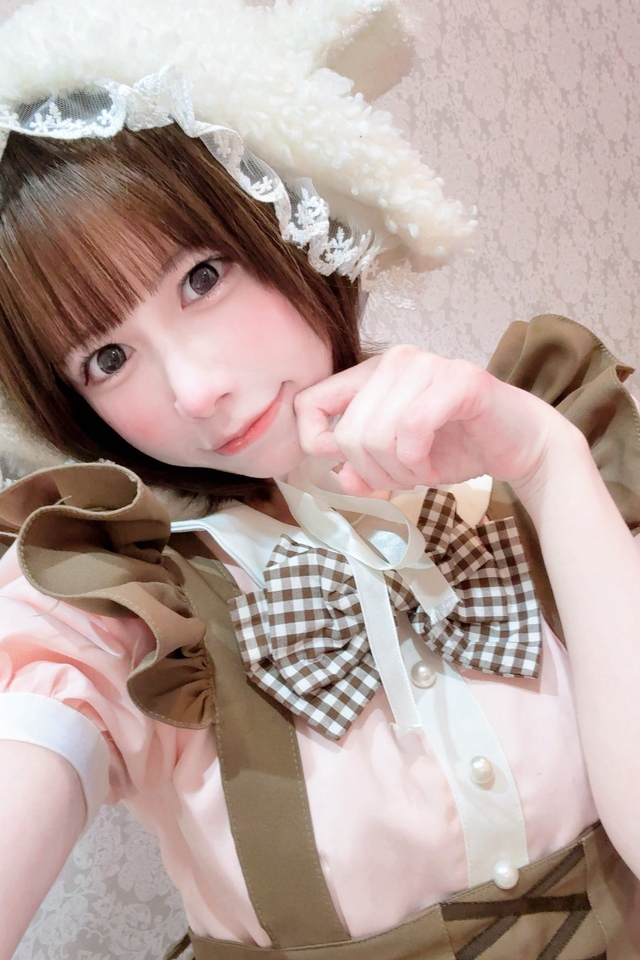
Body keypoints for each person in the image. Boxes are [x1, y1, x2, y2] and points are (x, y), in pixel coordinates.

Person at [0, 0, 639, 958]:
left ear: (282, 216)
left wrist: (546, 463)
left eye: (202, 278)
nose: (198, 389)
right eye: (108, 358)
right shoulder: (115, 602)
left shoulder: (547, 442)